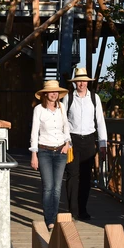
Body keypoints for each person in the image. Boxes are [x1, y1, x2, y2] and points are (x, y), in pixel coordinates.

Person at [62, 67, 108, 221]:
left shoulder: (95, 98)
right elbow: (64, 122)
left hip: (89, 140)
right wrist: (67, 140)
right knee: (72, 175)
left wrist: (103, 144)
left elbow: (100, 122)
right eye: (78, 81)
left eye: (83, 81)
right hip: (73, 140)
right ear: (75, 83)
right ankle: (72, 210)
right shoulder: (68, 98)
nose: (81, 84)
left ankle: (83, 210)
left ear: (88, 83)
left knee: (86, 177)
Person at [29, 80, 71, 230]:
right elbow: (34, 132)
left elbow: (66, 126)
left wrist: (67, 143)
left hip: (60, 151)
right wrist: (34, 154)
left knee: (57, 187)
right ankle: (49, 220)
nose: (54, 94)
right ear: (45, 94)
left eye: (56, 92)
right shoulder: (38, 110)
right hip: (44, 151)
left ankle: (54, 217)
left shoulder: (62, 108)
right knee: (48, 187)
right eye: (51, 92)